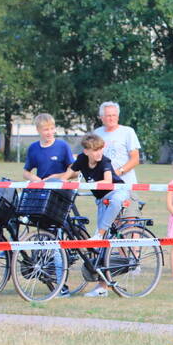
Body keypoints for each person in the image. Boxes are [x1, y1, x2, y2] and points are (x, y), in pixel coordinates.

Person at [48, 133, 130, 297]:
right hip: (101, 200)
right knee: (101, 247)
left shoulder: (105, 161)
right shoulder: (81, 161)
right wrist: (57, 182)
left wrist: (88, 184)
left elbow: (108, 181)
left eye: (100, 149)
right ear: (86, 151)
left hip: (117, 192)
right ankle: (102, 288)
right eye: (95, 150)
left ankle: (100, 234)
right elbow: (67, 174)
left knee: (104, 226)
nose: (98, 153)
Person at [93, 101, 141, 184]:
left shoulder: (128, 132)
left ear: (118, 116)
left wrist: (117, 173)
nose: (111, 118)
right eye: (108, 116)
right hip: (103, 183)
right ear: (101, 117)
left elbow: (135, 159)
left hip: (125, 183)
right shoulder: (96, 133)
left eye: (114, 115)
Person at [23, 113, 75, 180]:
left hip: (61, 188)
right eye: (46, 129)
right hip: (42, 188)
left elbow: (75, 172)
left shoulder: (63, 146)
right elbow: (25, 172)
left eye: (52, 129)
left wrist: (55, 178)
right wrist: (35, 179)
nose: (50, 132)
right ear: (38, 130)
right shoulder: (33, 148)